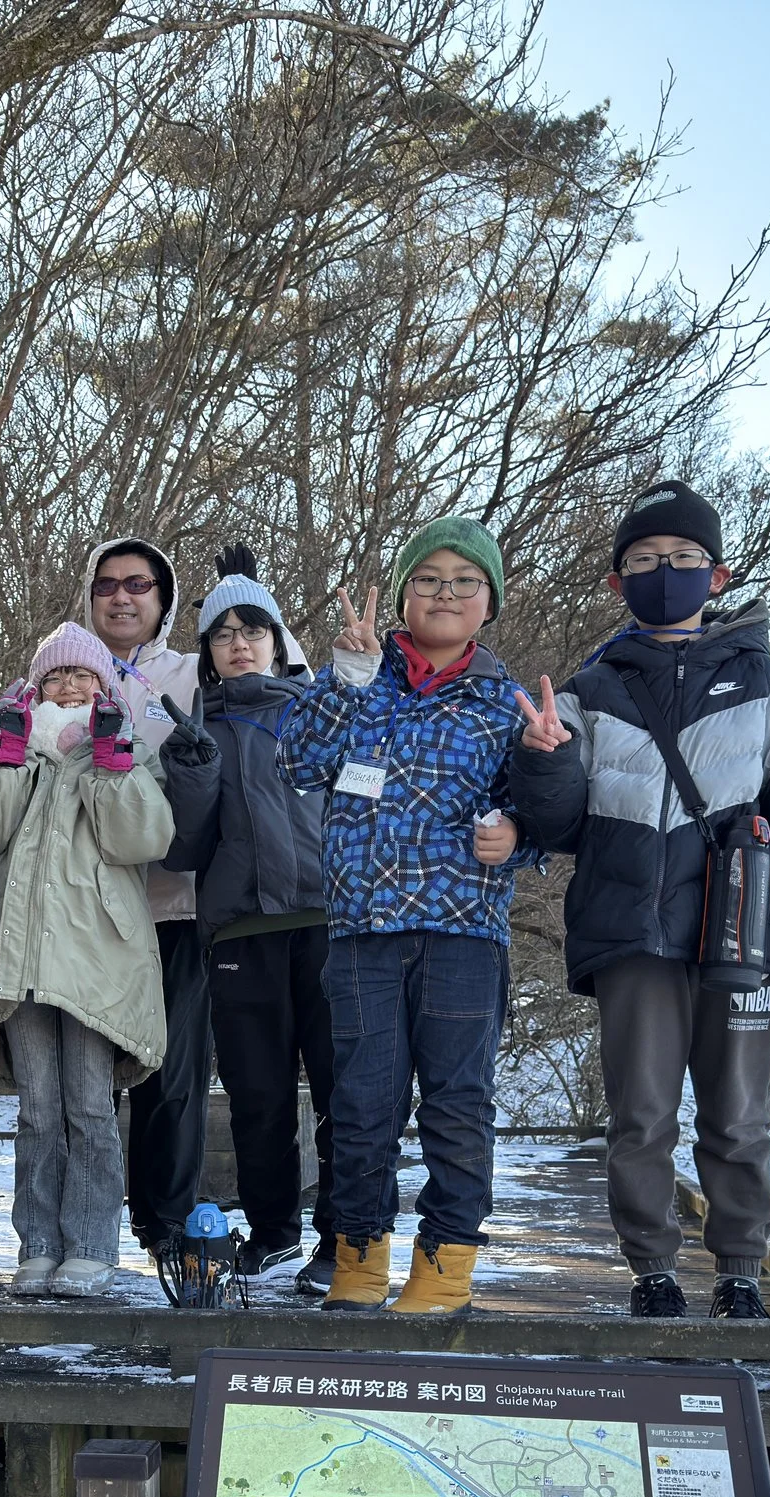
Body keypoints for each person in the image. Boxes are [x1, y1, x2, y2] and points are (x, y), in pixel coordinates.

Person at [511, 479, 770, 1320]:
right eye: (644, 562)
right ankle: (652, 1272)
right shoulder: (591, 691)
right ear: (616, 583)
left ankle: (739, 1268)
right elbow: (556, 826)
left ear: (720, 575)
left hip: (740, 936)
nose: (664, 572)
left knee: (738, 1120)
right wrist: (547, 757)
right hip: (631, 938)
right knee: (640, 1119)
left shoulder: (769, 688)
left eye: (683, 559)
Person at [280, 518, 536, 1315]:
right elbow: (295, 760)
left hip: (465, 934)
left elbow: (544, 814)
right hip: (362, 934)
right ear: (402, 595)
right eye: (429, 578)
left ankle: (446, 1265)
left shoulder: (508, 701)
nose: (446, 592)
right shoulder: (361, 680)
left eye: (465, 580)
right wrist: (343, 677)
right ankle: (358, 1260)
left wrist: (517, 838)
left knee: (459, 1107)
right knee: (362, 1104)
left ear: (488, 601)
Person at [0, 623, 176, 1299]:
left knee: (89, 1102)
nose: (69, 687)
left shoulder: (128, 749)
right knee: (38, 1107)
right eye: (56, 677)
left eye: (83, 677)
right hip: (17, 955)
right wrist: (6, 754)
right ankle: (38, 1242)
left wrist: (112, 764)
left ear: (104, 687)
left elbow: (144, 837)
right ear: (37, 686)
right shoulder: (6, 747)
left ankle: (93, 1244)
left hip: (98, 958)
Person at [172, 545, 338, 1293]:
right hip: (238, 932)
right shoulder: (191, 725)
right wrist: (194, 766)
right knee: (259, 1096)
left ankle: (348, 1235)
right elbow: (182, 846)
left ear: (277, 640)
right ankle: (273, 1230)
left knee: (346, 1091)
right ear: (206, 652)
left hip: (330, 924)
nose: (240, 642)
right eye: (223, 632)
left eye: (254, 628)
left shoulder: (318, 710)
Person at [76, 537, 219, 1270]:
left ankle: (164, 1223)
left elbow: (280, 675)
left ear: (163, 599)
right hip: (88, 912)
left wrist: (244, 601)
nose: (121, 597)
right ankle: (81, 1230)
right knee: (86, 1077)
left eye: (138, 584)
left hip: (173, 907)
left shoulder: (195, 673)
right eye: (107, 585)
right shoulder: (64, 672)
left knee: (173, 1073)